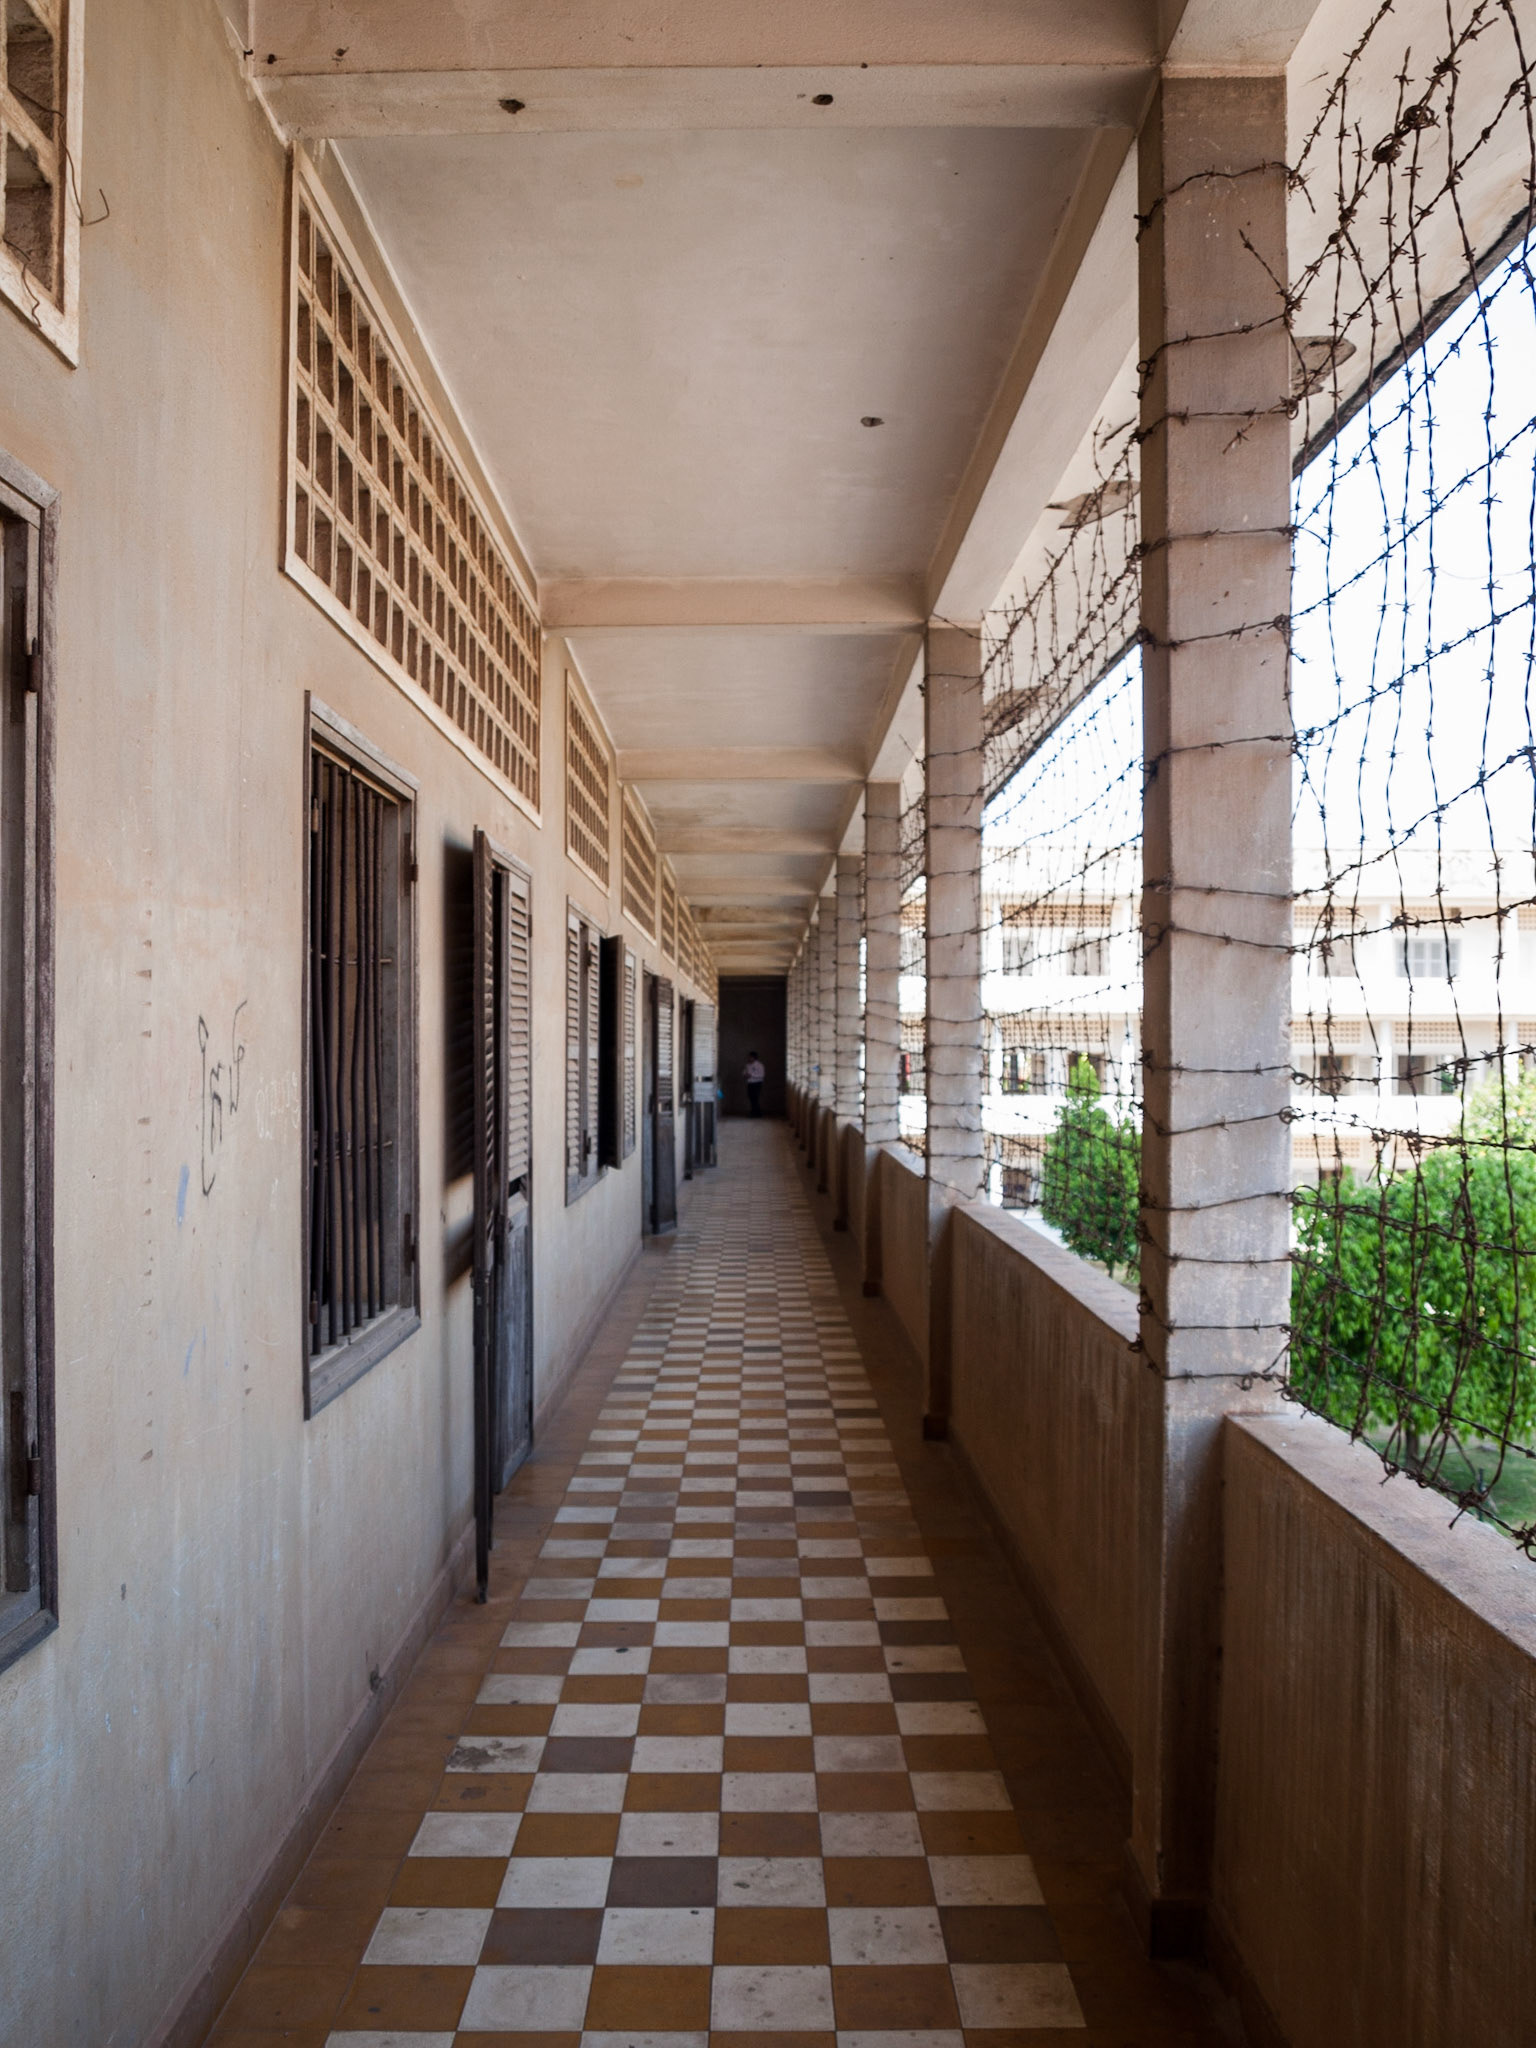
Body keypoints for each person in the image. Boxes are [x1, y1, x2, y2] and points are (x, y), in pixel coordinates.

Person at [743, 1050, 766, 1117]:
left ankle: (756, 1113)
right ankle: (755, 1112)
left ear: (754, 1057)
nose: (749, 1058)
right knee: (751, 1098)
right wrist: (745, 1074)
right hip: (750, 1083)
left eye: (750, 1057)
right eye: (749, 1057)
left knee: (755, 1098)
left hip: (757, 1083)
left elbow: (762, 1075)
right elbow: (744, 1072)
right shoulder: (748, 1065)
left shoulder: (760, 1065)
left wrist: (751, 1075)